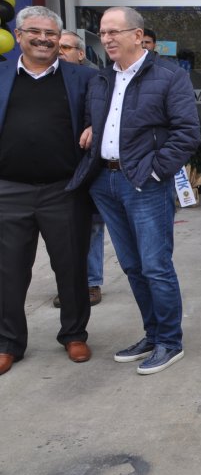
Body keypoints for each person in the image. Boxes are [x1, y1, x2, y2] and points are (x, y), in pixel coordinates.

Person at [68, 6, 200, 375]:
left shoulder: (169, 76)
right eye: (103, 33)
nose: (106, 39)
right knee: (132, 266)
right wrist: (91, 130)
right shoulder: (102, 78)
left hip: (144, 184)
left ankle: (170, 341)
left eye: (114, 32)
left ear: (138, 35)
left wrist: (155, 172)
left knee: (155, 266)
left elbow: (187, 133)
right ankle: (152, 335)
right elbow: (96, 117)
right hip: (105, 182)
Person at [0, 6, 96, 376]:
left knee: (71, 267)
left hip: (64, 189)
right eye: (35, 32)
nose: (43, 39)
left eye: (51, 33)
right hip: (9, 191)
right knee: (8, 272)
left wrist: (95, 126)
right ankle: (8, 343)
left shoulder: (82, 78)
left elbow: (104, 113)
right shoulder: (2, 75)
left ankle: (74, 334)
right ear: (19, 35)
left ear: (60, 39)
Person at [56, 30, 105, 309]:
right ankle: (69, 285)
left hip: (87, 165)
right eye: (57, 47)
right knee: (61, 231)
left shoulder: (95, 80)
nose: (60, 52)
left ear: (81, 53)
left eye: (66, 47)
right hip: (56, 168)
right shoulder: (48, 80)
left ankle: (90, 282)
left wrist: (94, 126)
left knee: (92, 227)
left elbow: (108, 115)